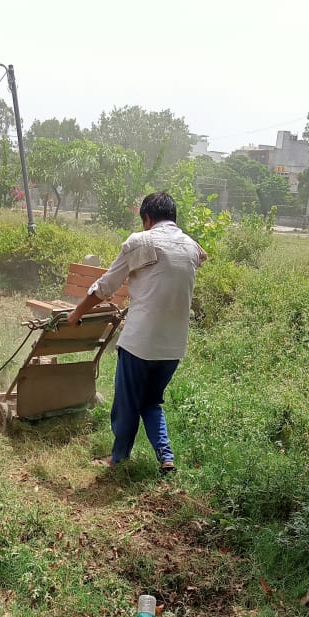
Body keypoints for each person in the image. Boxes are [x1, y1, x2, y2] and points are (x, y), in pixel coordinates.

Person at [67, 192, 206, 474]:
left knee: (128, 402)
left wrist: (77, 313)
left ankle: (118, 458)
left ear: (147, 218)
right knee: (151, 401)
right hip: (173, 346)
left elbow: (105, 286)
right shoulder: (191, 246)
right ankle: (166, 457)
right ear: (173, 218)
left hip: (140, 343)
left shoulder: (140, 241)